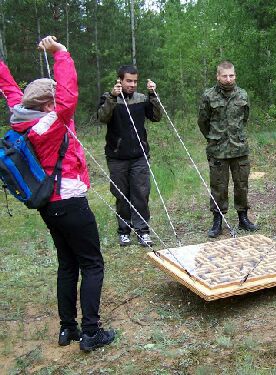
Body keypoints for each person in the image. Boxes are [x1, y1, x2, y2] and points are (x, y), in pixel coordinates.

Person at [0, 36, 114, 351]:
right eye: (54, 98)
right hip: (69, 200)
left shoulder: (21, 117)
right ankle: (91, 333)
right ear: (48, 104)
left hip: (47, 205)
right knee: (92, 263)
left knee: (67, 263)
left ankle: (68, 329)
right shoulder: (52, 121)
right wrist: (61, 53)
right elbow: (69, 93)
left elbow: (9, 89)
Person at [97, 65, 161, 247]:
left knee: (141, 193)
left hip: (139, 156)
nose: (132, 85)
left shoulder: (141, 98)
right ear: (120, 80)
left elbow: (156, 117)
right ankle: (124, 230)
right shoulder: (109, 98)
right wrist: (112, 97)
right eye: (128, 81)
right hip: (117, 157)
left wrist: (153, 96)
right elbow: (102, 117)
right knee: (121, 195)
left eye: (135, 81)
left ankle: (143, 231)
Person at [198, 60, 258, 238]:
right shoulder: (209, 96)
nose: (228, 79)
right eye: (224, 76)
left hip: (239, 148)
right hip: (218, 149)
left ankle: (243, 218)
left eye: (231, 75)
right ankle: (218, 221)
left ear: (235, 76)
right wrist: (213, 137)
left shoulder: (242, 95)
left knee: (242, 185)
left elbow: (244, 118)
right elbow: (203, 121)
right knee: (218, 186)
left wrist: (235, 135)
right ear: (218, 76)